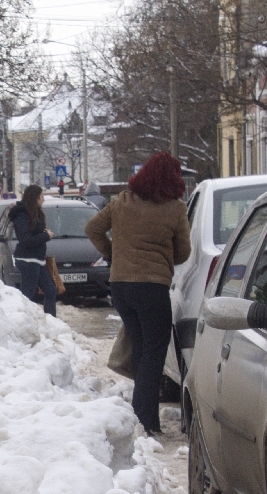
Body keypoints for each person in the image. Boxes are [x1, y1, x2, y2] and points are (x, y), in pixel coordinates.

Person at [85, 151, 191, 435]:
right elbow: (183, 252)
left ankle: (142, 419)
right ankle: (145, 422)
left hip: (121, 286)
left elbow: (93, 228)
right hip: (152, 287)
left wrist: (112, 253)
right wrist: (163, 256)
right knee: (153, 354)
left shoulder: (123, 201)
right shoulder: (175, 208)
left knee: (142, 349)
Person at [7, 184, 56, 316]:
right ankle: (22, 319)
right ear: (35, 197)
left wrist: (43, 232)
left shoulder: (34, 212)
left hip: (37, 259)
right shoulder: (22, 215)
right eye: (42, 196)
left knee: (51, 290)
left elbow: (33, 232)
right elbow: (25, 239)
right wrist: (46, 236)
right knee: (27, 295)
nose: (43, 199)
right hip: (27, 260)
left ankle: (51, 322)